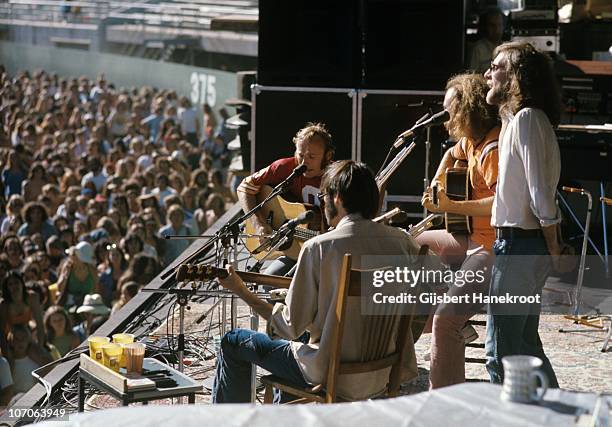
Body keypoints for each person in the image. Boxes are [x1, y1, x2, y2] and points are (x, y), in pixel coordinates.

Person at [213, 160, 428, 403]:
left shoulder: (319, 247)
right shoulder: (403, 242)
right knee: (306, 338)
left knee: (233, 341)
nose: (321, 202)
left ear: (336, 199)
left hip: (329, 373)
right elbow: (438, 284)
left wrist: (240, 290)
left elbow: (289, 326)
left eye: (323, 195)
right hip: (383, 371)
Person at [483, 41, 564, 387]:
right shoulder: (514, 121)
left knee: (500, 354)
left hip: (521, 247)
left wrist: (554, 248)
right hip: (518, 247)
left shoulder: (529, 119)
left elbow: (541, 197)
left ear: (517, 76)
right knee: (527, 347)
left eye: (496, 66)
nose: (487, 73)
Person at [416, 73, 501, 389]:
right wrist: (438, 183)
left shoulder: (492, 146)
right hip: (469, 241)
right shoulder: (471, 142)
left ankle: (443, 402)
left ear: (468, 109)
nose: (446, 117)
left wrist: (451, 204)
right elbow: (452, 154)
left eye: (450, 110)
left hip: (491, 250)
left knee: (444, 320)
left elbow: (499, 204)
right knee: (408, 243)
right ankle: (452, 319)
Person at [236, 122, 335, 276]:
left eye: (311, 157)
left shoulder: (337, 178)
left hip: (327, 253)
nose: (303, 162)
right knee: (269, 283)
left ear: (328, 156)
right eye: (300, 155)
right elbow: (244, 188)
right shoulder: (284, 167)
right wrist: (260, 225)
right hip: (295, 252)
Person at [469, 7, 505, 73]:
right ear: (485, 27)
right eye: (492, 25)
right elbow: (471, 75)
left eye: (499, 25)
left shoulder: (506, 48)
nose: (496, 29)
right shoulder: (478, 49)